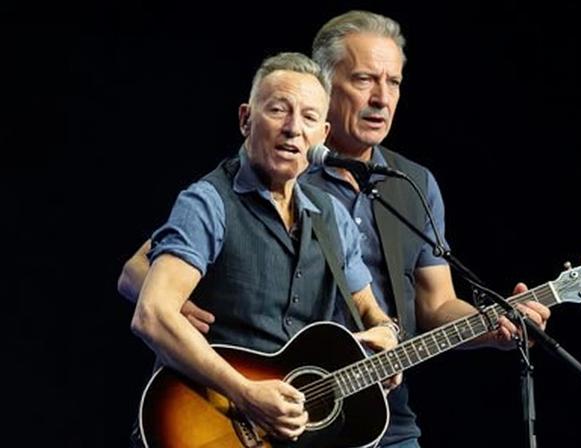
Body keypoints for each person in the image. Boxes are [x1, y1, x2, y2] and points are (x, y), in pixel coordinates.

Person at [119, 11, 552, 448]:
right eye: (364, 79)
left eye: (394, 82)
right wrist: (179, 311)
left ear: (319, 127)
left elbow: (423, 306)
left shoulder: (397, 189)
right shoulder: (238, 184)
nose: (381, 98)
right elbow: (143, 273)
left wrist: (422, 329)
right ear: (247, 119)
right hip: (242, 406)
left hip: (360, 409)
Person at [127, 52, 401, 446]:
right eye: (278, 110)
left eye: (308, 118)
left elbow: (370, 311)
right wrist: (244, 392)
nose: (293, 129)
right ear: (245, 119)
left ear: (323, 135)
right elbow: (151, 315)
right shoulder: (207, 202)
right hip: (204, 423)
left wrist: (385, 333)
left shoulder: (332, 218)